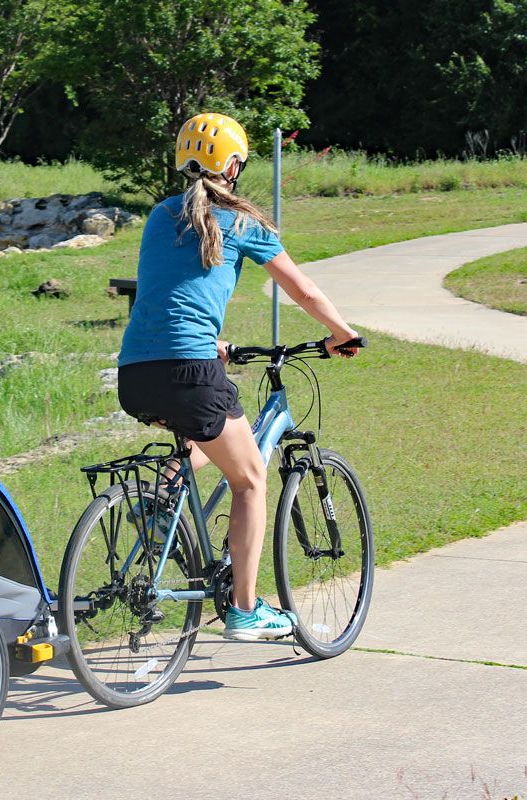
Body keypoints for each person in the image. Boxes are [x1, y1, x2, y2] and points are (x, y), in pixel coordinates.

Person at [116, 112, 362, 642]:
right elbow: (303, 292)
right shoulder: (242, 222)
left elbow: (170, 292)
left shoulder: (161, 216)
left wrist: (214, 343)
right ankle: (246, 611)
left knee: (215, 436)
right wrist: (342, 331)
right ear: (231, 165)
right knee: (250, 478)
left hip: (135, 371)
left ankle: (161, 502)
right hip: (190, 368)